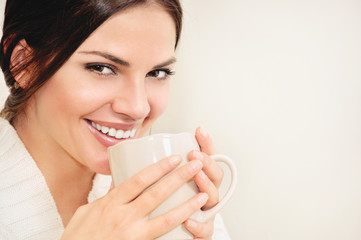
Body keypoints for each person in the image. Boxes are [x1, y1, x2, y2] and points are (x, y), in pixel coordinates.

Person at [0, 0, 231, 239]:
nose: (138, 108)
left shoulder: (172, 199)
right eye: (101, 68)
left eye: (157, 73)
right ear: (22, 63)